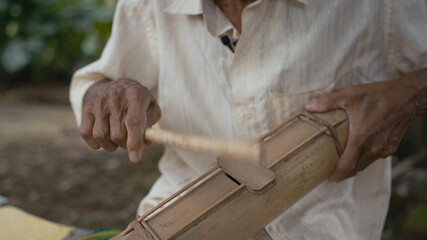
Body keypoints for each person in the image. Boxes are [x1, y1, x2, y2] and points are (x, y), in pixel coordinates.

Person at [70, 0, 427, 239]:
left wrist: (407, 96)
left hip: (321, 227)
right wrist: (107, 95)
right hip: (173, 217)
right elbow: (97, 82)